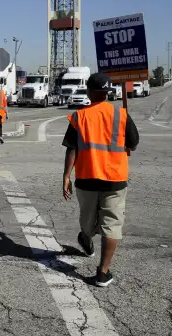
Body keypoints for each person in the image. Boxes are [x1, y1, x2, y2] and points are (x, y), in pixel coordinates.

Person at [62, 73, 139, 287]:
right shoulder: (120, 115)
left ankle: (95, 256)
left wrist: (66, 176)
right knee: (111, 225)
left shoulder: (80, 116)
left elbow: (71, 149)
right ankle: (101, 268)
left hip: (86, 178)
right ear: (107, 92)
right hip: (115, 178)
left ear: (89, 91)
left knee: (89, 222)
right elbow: (133, 143)